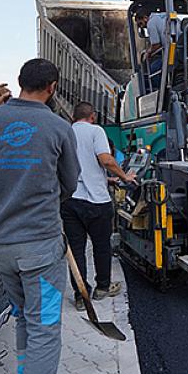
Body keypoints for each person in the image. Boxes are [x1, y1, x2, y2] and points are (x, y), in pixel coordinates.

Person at [0, 59, 81, 374]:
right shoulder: (59, 127)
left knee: (23, 317)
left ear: (19, 82)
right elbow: (70, 183)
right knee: (44, 329)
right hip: (40, 247)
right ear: (52, 87)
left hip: (1, 245)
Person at [62, 101, 136, 311]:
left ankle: (80, 295)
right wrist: (124, 176)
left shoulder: (65, 132)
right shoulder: (96, 131)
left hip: (70, 201)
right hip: (96, 202)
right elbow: (105, 160)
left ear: (73, 117)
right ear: (92, 116)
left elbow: (78, 167)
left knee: (76, 249)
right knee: (101, 245)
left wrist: (106, 180)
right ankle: (103, 287)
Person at [134, 9, 167, 75]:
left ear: (145, 18)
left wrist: (148, 52)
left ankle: (157, 85)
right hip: (181, 50)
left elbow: (156, 45)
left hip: (172, 54)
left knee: (153, 68)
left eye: (141, 23)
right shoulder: (165, 16)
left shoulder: (151, 23)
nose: (142, 26)